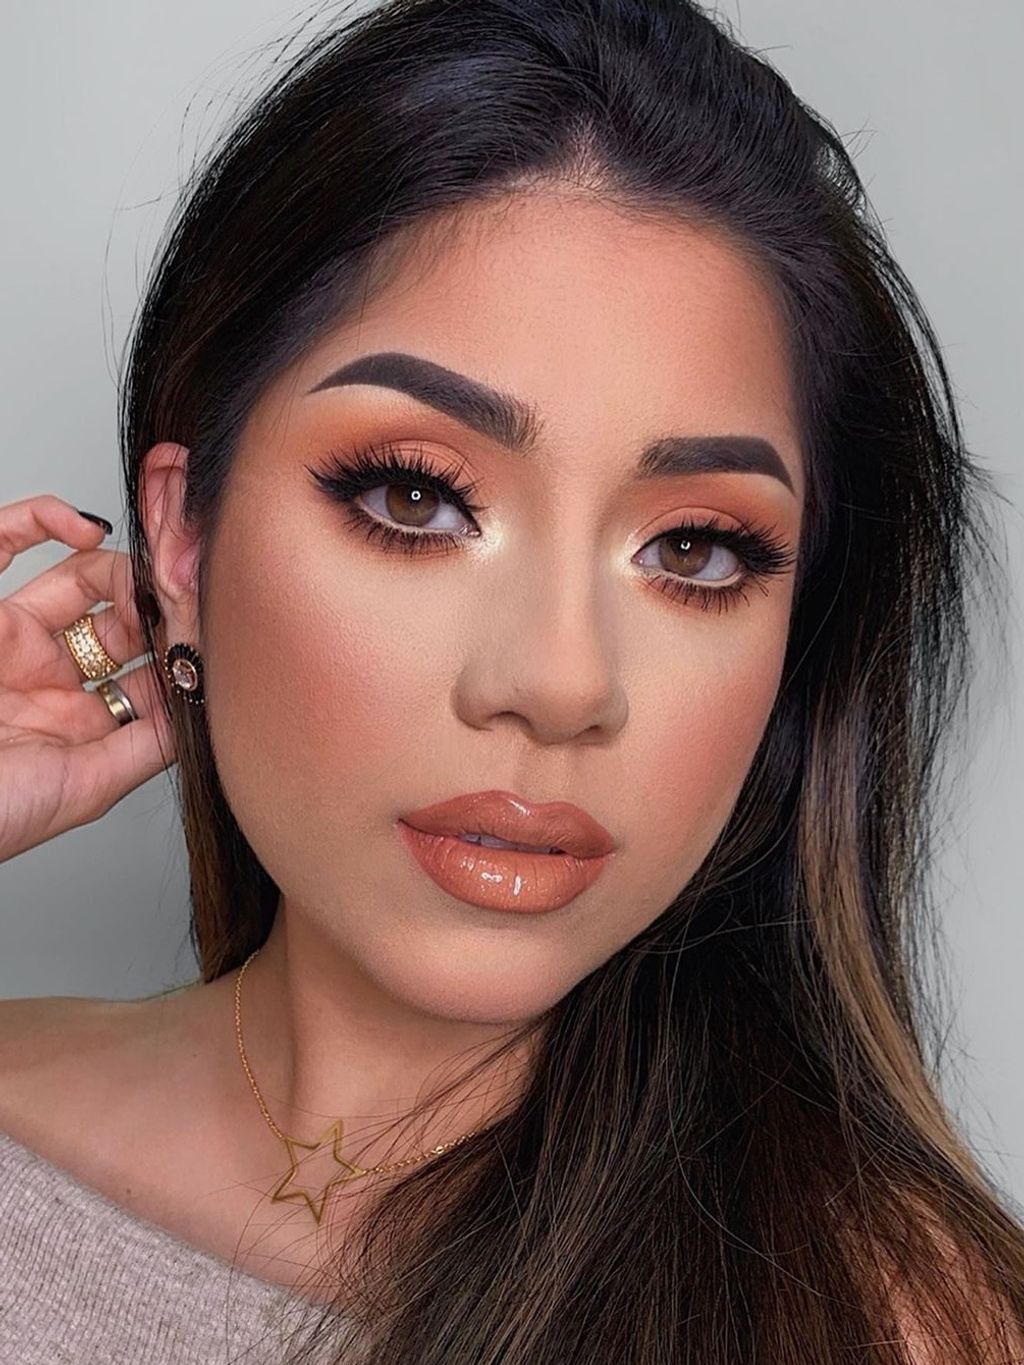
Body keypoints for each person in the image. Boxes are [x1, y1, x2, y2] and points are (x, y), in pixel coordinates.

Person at [0, 0, 1021, 1360]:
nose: (558, 682)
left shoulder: (911, 1325)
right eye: (417, 497)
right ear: (182, 543)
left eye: (695, 549)